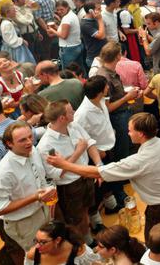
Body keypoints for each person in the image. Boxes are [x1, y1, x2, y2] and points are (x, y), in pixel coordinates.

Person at [46, 113, 160, 243]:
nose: (128, 133)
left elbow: (97, 172)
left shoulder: (137, 161)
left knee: (155, 245)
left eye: (130, 130)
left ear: (141, 134)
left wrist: (64, 164)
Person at [36, 101, 100, 242]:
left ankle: (91, 235)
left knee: (86, 209)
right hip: (70, 186)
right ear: (61, 118)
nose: (75, 112)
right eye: (71, 111)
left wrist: (99, 165)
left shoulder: (73, 126)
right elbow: (55, 174)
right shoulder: (45, 145)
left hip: (86, 175)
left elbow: (89, 142)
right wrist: (77, 152)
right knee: (75, 220)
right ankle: (84, 244)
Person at [0, 121, 54, 252]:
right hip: (24, 222)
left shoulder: (32, 150)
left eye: (30, 137)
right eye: (22, 140)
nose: (29, 142)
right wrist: (35, 197)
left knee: (49, 250)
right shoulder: (3, 172)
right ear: (9, 143)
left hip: (43, 211)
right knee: (37, 255)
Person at [25, 221, 98, 265]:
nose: (37, 246)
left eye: (43, 242)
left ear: (57, 240)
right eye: (36, 240)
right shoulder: (33, 254)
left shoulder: (79, 251)